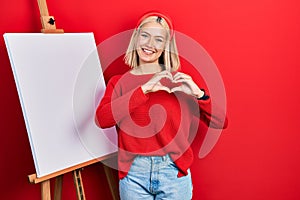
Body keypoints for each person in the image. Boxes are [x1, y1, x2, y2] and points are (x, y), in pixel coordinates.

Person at [95, 11, 228, 200]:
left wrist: (199, 94)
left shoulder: (179, 83)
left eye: (158, 39)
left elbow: (221, 122)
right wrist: (144, 89)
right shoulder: (119, 82)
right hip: (134, 176)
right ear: (136, 38)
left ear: (166, 46)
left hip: (173, 173)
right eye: (145, 36)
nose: (149, 44)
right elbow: (102, 119)